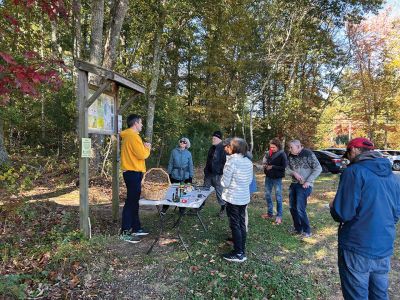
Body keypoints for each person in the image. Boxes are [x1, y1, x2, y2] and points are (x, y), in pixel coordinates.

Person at [329, 137, 400, 299]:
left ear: (353, 150)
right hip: (383, 246)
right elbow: (396, 213)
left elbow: (343, 213)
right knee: (380, 295)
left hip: (357, 246)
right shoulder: (393, 176)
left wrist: (333, 206)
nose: (348, 158)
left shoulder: (353, 172)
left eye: (348, 153)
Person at [119, 114, 151, 243]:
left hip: (133, 172)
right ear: (135, 123)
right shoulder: (132, 136)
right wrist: (147, 148)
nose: (142, 125)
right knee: (130, 202)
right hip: (132, 172)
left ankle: (136, 228)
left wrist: (142, 146)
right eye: (141, 123)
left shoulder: (130, 136)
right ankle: (125, 232)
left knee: (134, 201)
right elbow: (142, 154)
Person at [221, 138, 253, 262]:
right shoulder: (248, 161)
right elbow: (249, 181)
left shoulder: (232, 162)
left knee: (235, 225)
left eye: (229, 146)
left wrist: (222, 181)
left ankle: (239, 253)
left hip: (233, 198)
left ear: (235, 148)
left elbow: (225, 182)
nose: (227, 148)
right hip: (243, 197)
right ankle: (241, 249)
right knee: (241, 224)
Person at [286, 139, 322, 237]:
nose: (289, 149)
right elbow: (286, 168)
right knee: (292, 207)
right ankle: (298, 229)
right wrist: (293, 173)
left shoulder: (308, 154)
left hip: (305, 185)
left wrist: (308, 181)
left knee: (300, 208)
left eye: (291, 147)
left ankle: (307, 231)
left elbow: (318, 168)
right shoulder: (290, 156)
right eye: (289, 147)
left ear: (298, 147)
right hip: (294, 184)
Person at [161, 137, 194, 214]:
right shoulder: (174, 151)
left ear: (187, 144)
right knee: (170, 192)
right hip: (174, 174)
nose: (182, 143)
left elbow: (190, 165)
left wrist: (191, 176)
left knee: (182, 192)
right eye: (181, 141)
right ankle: (164, 209)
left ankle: (181, 209)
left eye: (184, 142)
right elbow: (171, 163)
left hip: (184, 175)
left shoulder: (188, 153)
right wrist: (168, 174)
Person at [261, 138, 287, 224]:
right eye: (271, 147)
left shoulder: (282, 154)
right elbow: (266, 162)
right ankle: (270, 213)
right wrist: (265, 165)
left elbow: (284, 167)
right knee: (268, 195)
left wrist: (273, 167)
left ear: (278, 146)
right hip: (268, 177)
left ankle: (279, 216)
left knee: (278, 196)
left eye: (273, 147)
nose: (271, 149)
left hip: (277, 178)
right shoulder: (269, 153)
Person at [204, 130, 227, 217]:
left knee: (219, 193)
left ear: (219, 139)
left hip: (218, 175)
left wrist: (220, 172)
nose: (212, 139)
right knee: (204, 190)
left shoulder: (224, 148)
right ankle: (199, 206)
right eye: (212, 138)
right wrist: (206, 170)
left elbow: (225, 163)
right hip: (208, 174)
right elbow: (208, 160)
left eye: (214, 138)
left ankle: (223, 208)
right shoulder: (212, 147)